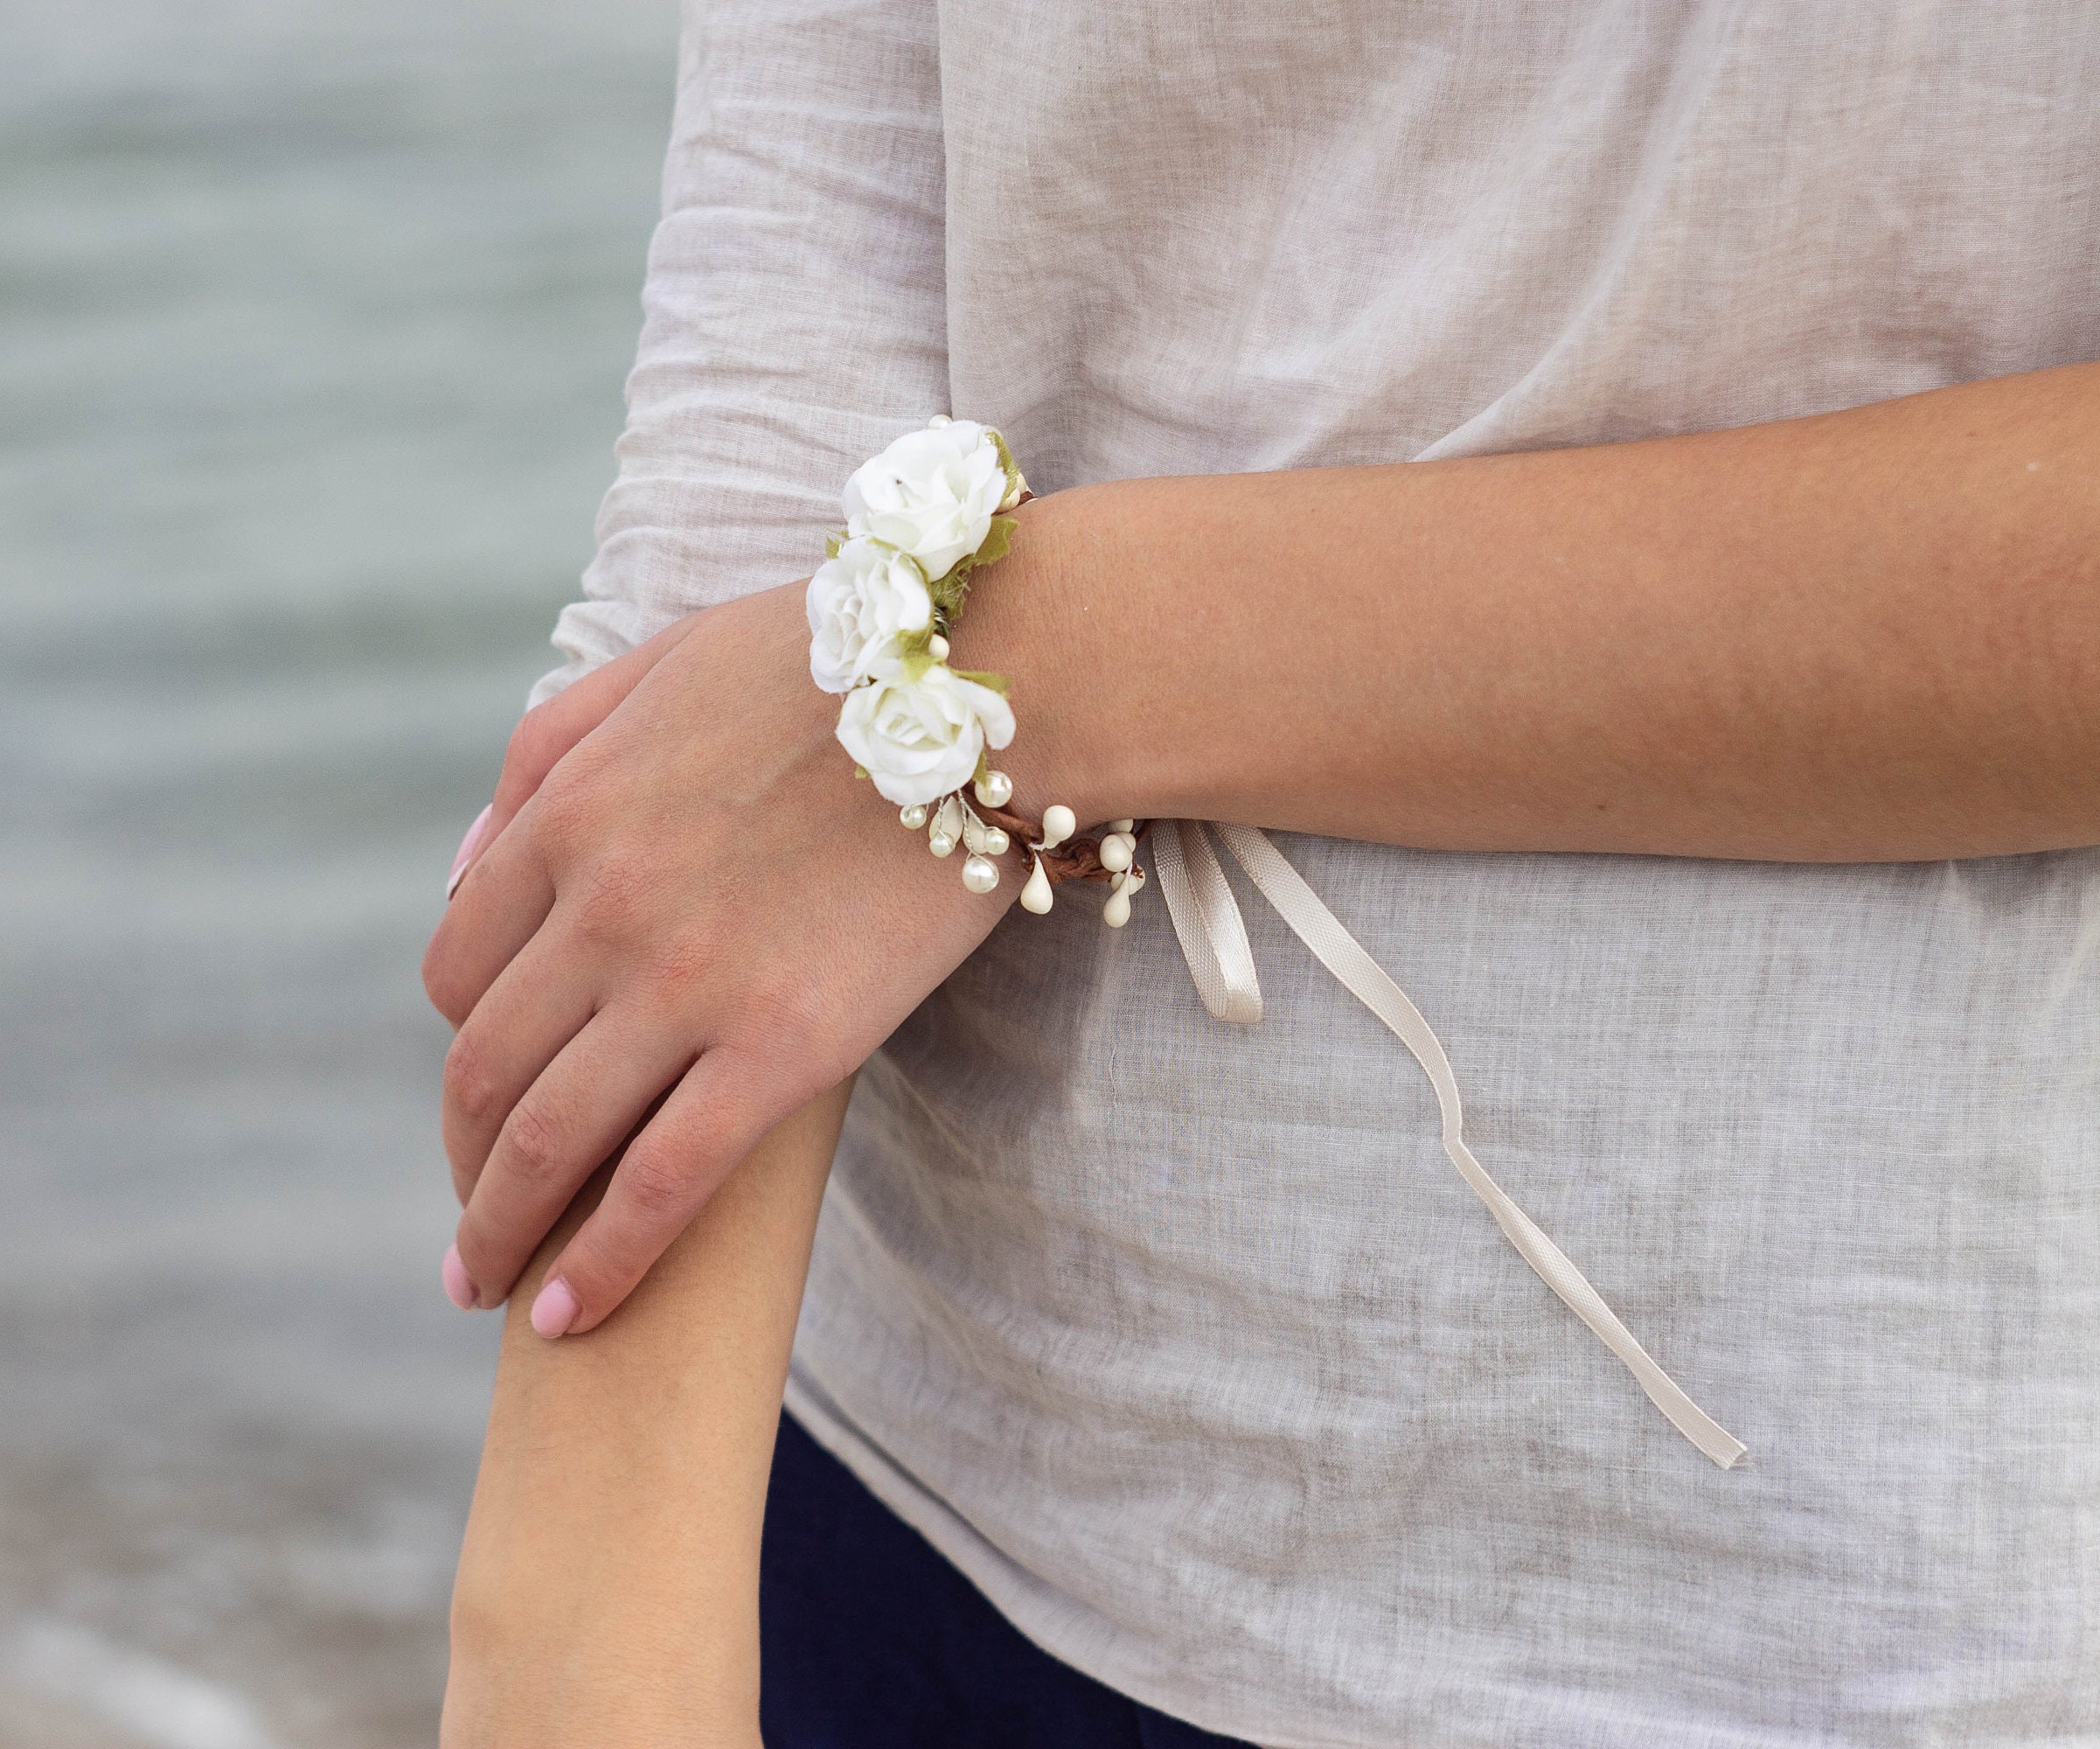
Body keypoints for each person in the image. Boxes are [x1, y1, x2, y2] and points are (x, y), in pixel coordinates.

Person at [424, 2, 2100, 1743]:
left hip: (1858, 1601)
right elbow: (798, 282)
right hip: (921, 1497)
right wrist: (579, 1612)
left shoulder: (948, 675)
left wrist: (1034, 662)